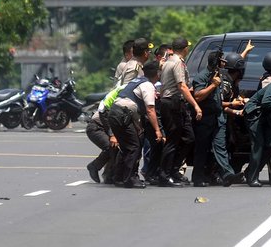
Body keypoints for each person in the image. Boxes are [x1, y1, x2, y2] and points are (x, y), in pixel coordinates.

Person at [108, 61, 163, 189]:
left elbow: (133, 107)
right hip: (122, 115)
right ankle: (130, 178)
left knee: (127, 147)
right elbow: (150, 110)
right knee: (134, 147)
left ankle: (119, 177)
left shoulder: (136, 81)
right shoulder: (148, 85)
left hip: (116, 113)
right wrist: (157, 130)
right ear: (157, 74)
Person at [191, 51, 243, 187]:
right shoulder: (202, 76)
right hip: (206, 119)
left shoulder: (220, 74)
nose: (225, 63)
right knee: (202, 149)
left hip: (218, 117)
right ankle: (197, 177)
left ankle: (227, 174)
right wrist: (213, 85)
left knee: (220, 147)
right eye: (222, 60)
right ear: (216, 61)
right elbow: (198, 96)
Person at [157, 37, 202, 187]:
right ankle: (164, 175)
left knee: (188, 138)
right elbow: (181, 86)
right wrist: (196, 105)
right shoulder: (176, 62)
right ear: (185, 49)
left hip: (176, 103)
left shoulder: (171, 61)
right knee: (172, 140)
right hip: (172, 103)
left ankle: (174, 170)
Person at [85, 85, 124, 184]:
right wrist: (112, 135)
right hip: (96, 127)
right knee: (111, 147)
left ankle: (109, 175)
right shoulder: (120, 95)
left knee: (117, 149)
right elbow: (103, 114)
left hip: (107, 128)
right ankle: (94, 166)